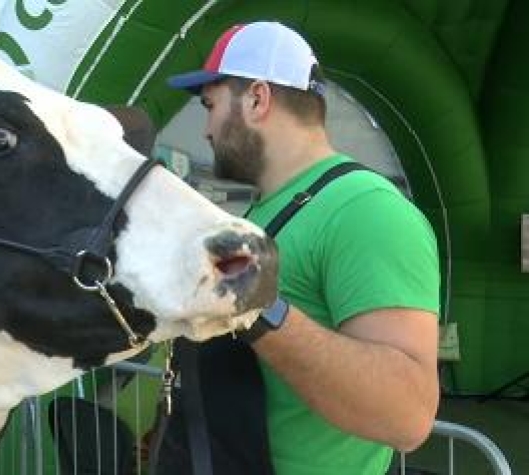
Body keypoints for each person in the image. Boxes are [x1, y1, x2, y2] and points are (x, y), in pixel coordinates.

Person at [162, 21, 441, 474]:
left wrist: (261, 310)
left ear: (257, 99)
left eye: (210, 106)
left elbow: (407, 416)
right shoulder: (259, 213)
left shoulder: (367, 210)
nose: (207, 130)